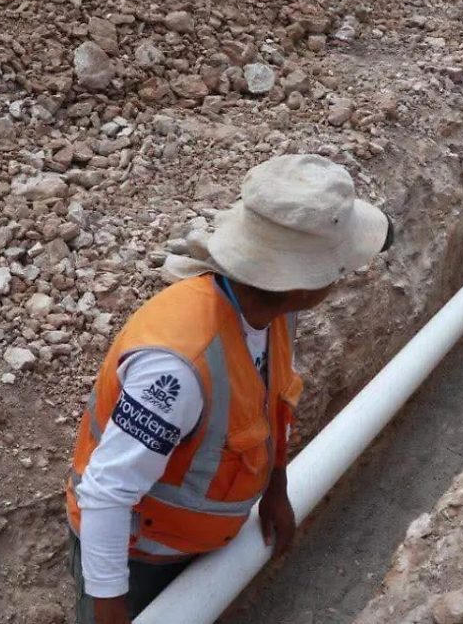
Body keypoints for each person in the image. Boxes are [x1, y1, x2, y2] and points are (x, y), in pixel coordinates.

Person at [64, 154, 394, 624]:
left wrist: (276, 490)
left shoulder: (272, 314)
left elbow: (270, 404)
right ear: (303, 283)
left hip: (199, 543)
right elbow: (106, 496)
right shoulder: (178, 368)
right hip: (138, 561)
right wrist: (111, 614)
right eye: (339, 266)